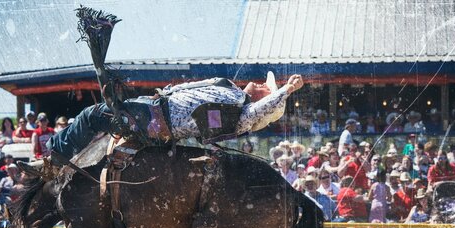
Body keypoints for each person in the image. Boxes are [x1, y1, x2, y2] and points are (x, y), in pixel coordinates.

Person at [18, 73, 305, 176]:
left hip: (155, 121)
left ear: (266, 96)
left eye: (268, 88)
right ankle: (63, 159)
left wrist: (285, 92)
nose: (262, 84)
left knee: (92, 115)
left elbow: (257, 113)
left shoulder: (243, 113)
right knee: (98, 117)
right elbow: (193, 86)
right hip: (153, 106)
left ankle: (54, 159)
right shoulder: (228, 87)